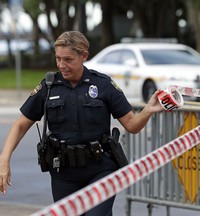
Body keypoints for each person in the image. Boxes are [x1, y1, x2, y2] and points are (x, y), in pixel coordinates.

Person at [0, 31, 164, 215]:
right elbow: (20, 125)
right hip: (64, 174)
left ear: (84, 55)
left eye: (68, 59)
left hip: (100, 169)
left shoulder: (103, 85)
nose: (62, 65)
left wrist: (148, 109)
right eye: (58, 59)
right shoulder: (48, 87)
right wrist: (4, 160)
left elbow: (132, 125)